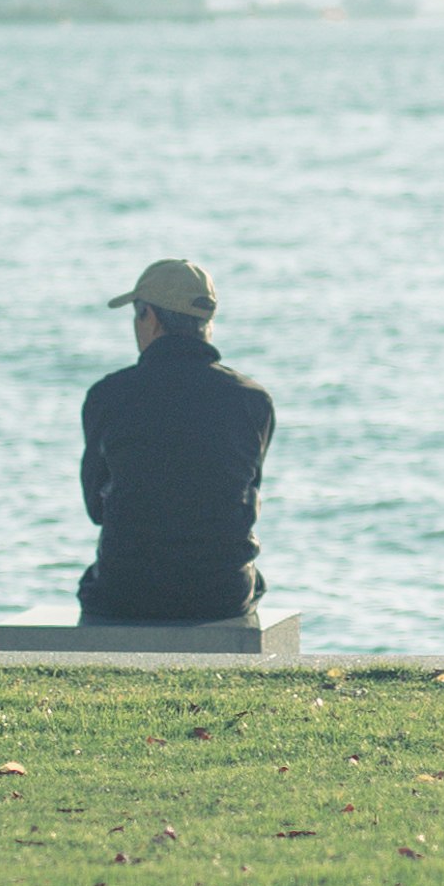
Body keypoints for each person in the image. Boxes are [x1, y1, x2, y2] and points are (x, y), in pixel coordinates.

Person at [78, 256, 276, 625]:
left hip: (124, 592)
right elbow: (244, 495)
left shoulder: (109, 395)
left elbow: (97, 507)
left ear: (150, 318)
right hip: (221, 593)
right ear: (206, 323)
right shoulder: (251, 399)